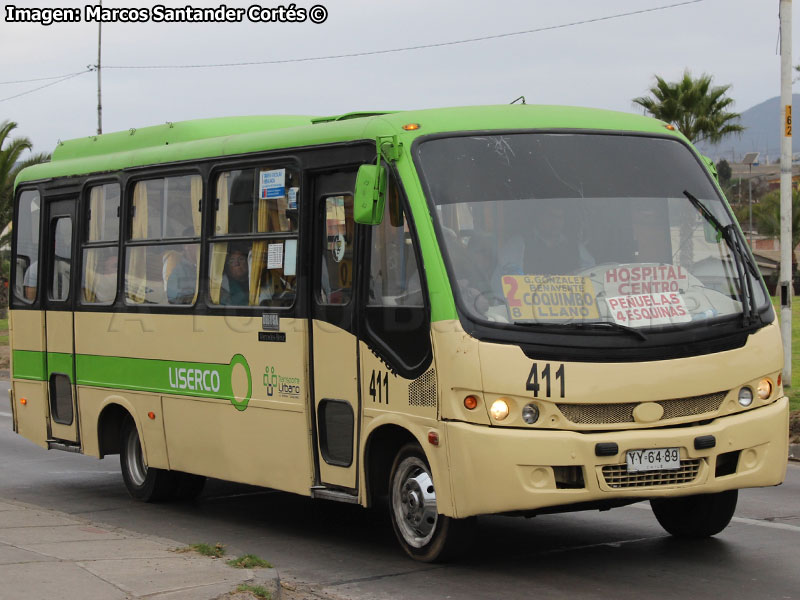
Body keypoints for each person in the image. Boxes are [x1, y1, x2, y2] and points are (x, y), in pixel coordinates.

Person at [166, 227, 198, 304]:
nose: (199, 246)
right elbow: (174, 299)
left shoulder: (210, 267)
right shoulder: (177, 272)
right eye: (197, 242)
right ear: (186, 246)